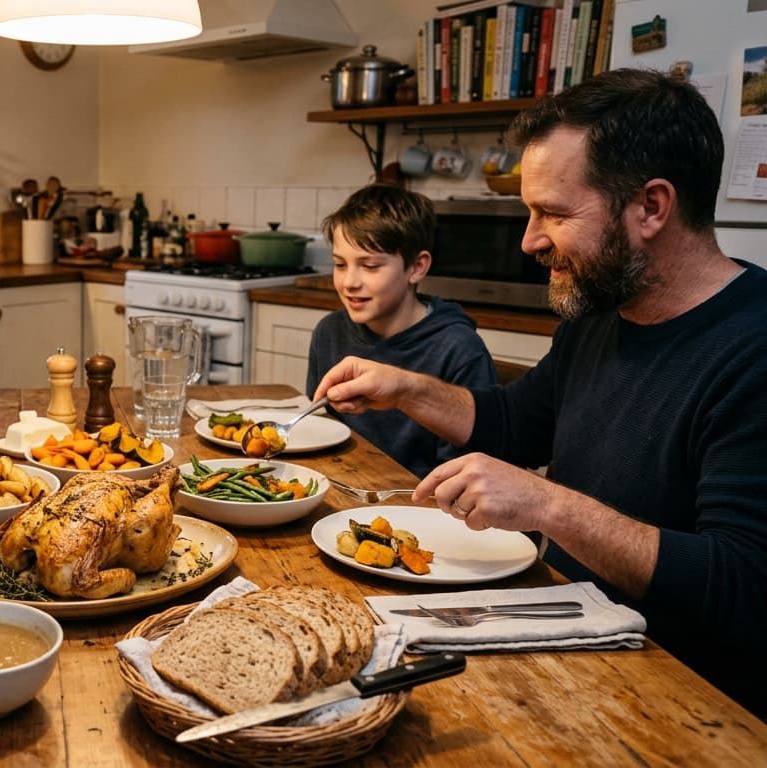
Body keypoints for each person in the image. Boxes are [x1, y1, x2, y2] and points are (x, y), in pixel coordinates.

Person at [313, 68, 767, 718]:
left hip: (685, 701)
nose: (530, 240)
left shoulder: (753, 347)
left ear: (651, 207)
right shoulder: (600, 317)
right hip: (569, 637)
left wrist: (549, 504)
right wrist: (408, 388)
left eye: (553, 212)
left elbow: (744, 587)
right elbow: (515, 423)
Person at [308, 184, 496, 477]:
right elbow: (320, 429)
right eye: (340, 264)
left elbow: (465, 474)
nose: (349, 282)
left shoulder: (459, 349)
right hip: (342, 485)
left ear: (417, 267)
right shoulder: (328, 332)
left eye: (370, 266)